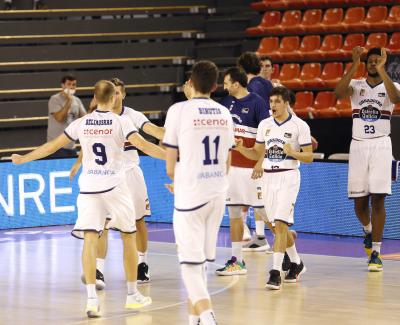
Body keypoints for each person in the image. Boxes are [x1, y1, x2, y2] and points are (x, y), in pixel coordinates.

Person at [12, 80, 165, 317]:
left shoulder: (81, 123)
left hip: (89, 188)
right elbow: (146, 146)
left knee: (90, 238)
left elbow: (51, 146)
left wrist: (24, 159)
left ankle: (92, 300)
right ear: (114, 97)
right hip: (115, 186)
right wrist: (175, 159)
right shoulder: (121, 120)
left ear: (94, 98)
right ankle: (133, 294)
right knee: (128, 236)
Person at [70, 77, 165, 287]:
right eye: (115, 92)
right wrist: (78, 163)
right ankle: (99, 270)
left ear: (122, 94)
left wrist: (175, 134)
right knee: (101, 224)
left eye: (120, 92)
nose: (117, 96)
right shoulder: (95, 119)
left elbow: (153, 132)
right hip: (108, 176)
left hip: (130, 173)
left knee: (138, 221)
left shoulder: (131, 116)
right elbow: (89, 145)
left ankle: (142, 264)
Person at [163, 60, 235, 325]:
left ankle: (208, 317)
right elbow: (228, 161)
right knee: (201, 263)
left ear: (190, 82)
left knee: (190, 267)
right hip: (217, 191)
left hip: (191, 193)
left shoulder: (178, 110)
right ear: (216, 86)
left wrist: (179, 180)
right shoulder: (224, 113)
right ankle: (194, 321)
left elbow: (170, 165)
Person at [235, 86, 313, 290]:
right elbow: (256, 154)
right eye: (271, 102)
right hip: (268, 179)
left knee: (280, 224)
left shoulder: (299, 125)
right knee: (277, 227)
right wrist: (241, 147)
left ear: (287, 103)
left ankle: (275, 272)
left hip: (288, 177)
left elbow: (309, 157)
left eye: (277, 101)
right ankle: (296, 262)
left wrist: (292, 153)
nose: (273, 105)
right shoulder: (264, 124)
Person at [335, 47, 400, 272]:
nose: (373, 64)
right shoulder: (357, 85)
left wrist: (384, 71)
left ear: (383, 62)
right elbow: (338, 93)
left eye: (377, 61)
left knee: (379, 199)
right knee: (359, 202)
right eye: (370, 61)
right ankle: (368, 229)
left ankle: (376, 252)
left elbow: (396, 99)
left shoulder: (392, 85)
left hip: (381, 144)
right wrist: (354, 64)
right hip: (359, 145)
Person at [216, 67, 271, 276]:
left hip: (252, 169)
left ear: (236, 84)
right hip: (233, 168)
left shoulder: (257, 102)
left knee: (268, 214)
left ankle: (291, 257)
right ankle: (237, 260)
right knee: (234, 214)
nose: (225, 86)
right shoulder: (226, 103)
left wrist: (261, 162)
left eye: (227, 82)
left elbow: (268, 133)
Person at [237, 52, 274, 245]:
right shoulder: (269, 84)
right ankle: (260, 236)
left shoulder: (252, 89)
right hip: (268, 141)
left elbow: (260, 119)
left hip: (256, 143)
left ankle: (276, 238)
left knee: (251, 192)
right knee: (257, 193)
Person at [47, 74, 87, 158]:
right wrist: (69, 101)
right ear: (62, 85)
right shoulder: (55, 99)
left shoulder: (77, 100)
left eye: (74, 85)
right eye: (69, 84)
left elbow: (85, 119)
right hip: (56, 147)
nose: (71, 87)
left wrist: (92, 107)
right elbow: (59, 118)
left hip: (71, 146)